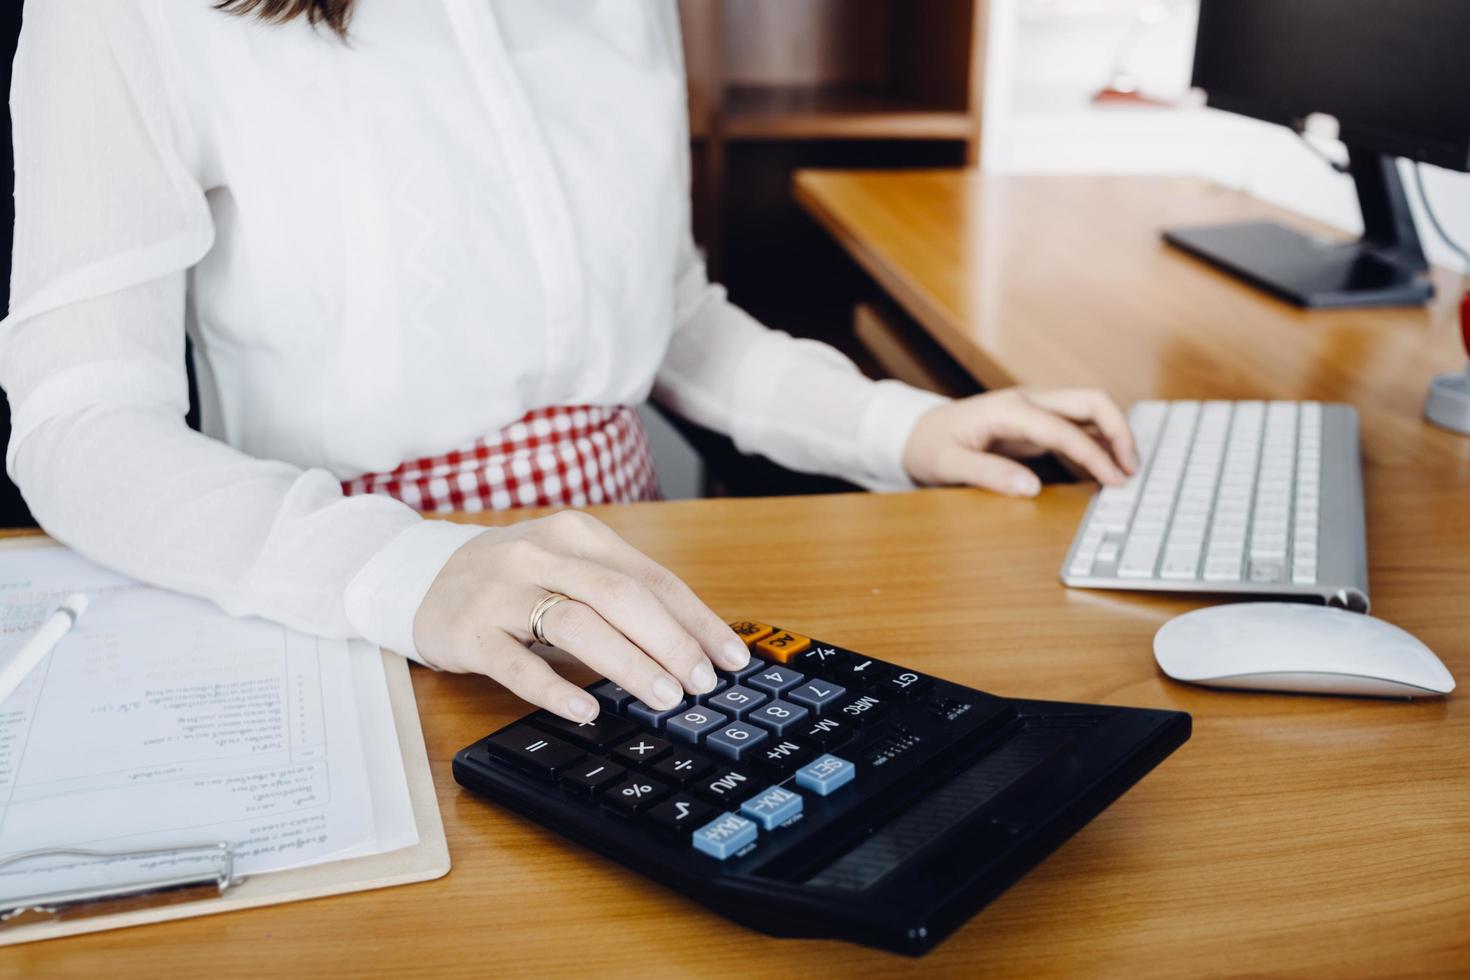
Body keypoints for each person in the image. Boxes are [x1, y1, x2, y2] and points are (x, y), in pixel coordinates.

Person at [1, 0, 1136, 725]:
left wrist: (899, 426)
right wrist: (414, 572)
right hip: (353, 601)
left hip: (646, 583)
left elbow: (671, 318)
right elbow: (80, 422)